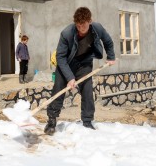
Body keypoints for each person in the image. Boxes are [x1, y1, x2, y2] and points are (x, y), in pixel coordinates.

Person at [44, 7, 115, 135]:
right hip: (66, 64)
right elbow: (60, 57)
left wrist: (111, 57)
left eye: (83, 25)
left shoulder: (97, 28)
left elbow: (108, 41)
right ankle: (51, 120)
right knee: (58, 89)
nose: (81, 29)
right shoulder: (67, 33)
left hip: (84, 64)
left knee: (87, 90)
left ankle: (87, 121)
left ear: (90, 21)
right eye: (78, 25)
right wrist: (70, 77)